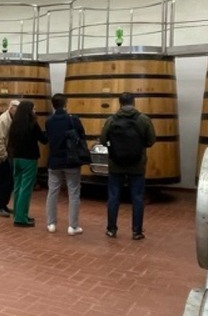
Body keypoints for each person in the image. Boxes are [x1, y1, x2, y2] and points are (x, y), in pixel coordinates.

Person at [98, 92, 157, 240]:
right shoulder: (144, 119)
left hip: (115, 164)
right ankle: (136, 232)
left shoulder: (111, 120)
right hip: (137, 164)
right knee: (137, 198)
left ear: (120, 103)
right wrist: (139, 147)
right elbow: (151, 140)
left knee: (113, 197)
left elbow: (103, 140)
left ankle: (111, 229)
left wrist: (114, 148)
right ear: (133, 102)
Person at [43, 93, 89, 235]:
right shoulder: (73, 120)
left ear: (53, 105)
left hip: (54, 161)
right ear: (65, 104)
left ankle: (51, 223)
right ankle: (73, 226)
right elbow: (81, 135)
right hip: (71, 161)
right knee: (73, 192)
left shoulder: (49, 121)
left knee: (52, 192)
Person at [6, 99, 45, 227]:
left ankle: (18, 213)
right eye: (33, 109)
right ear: (29, 111)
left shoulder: (14, 124)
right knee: (26, 188)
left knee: (17, 186)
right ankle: (21, 218)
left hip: (16, 158)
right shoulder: (32, 124)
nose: (35, 111)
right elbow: (43, 139)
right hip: (29, 159)